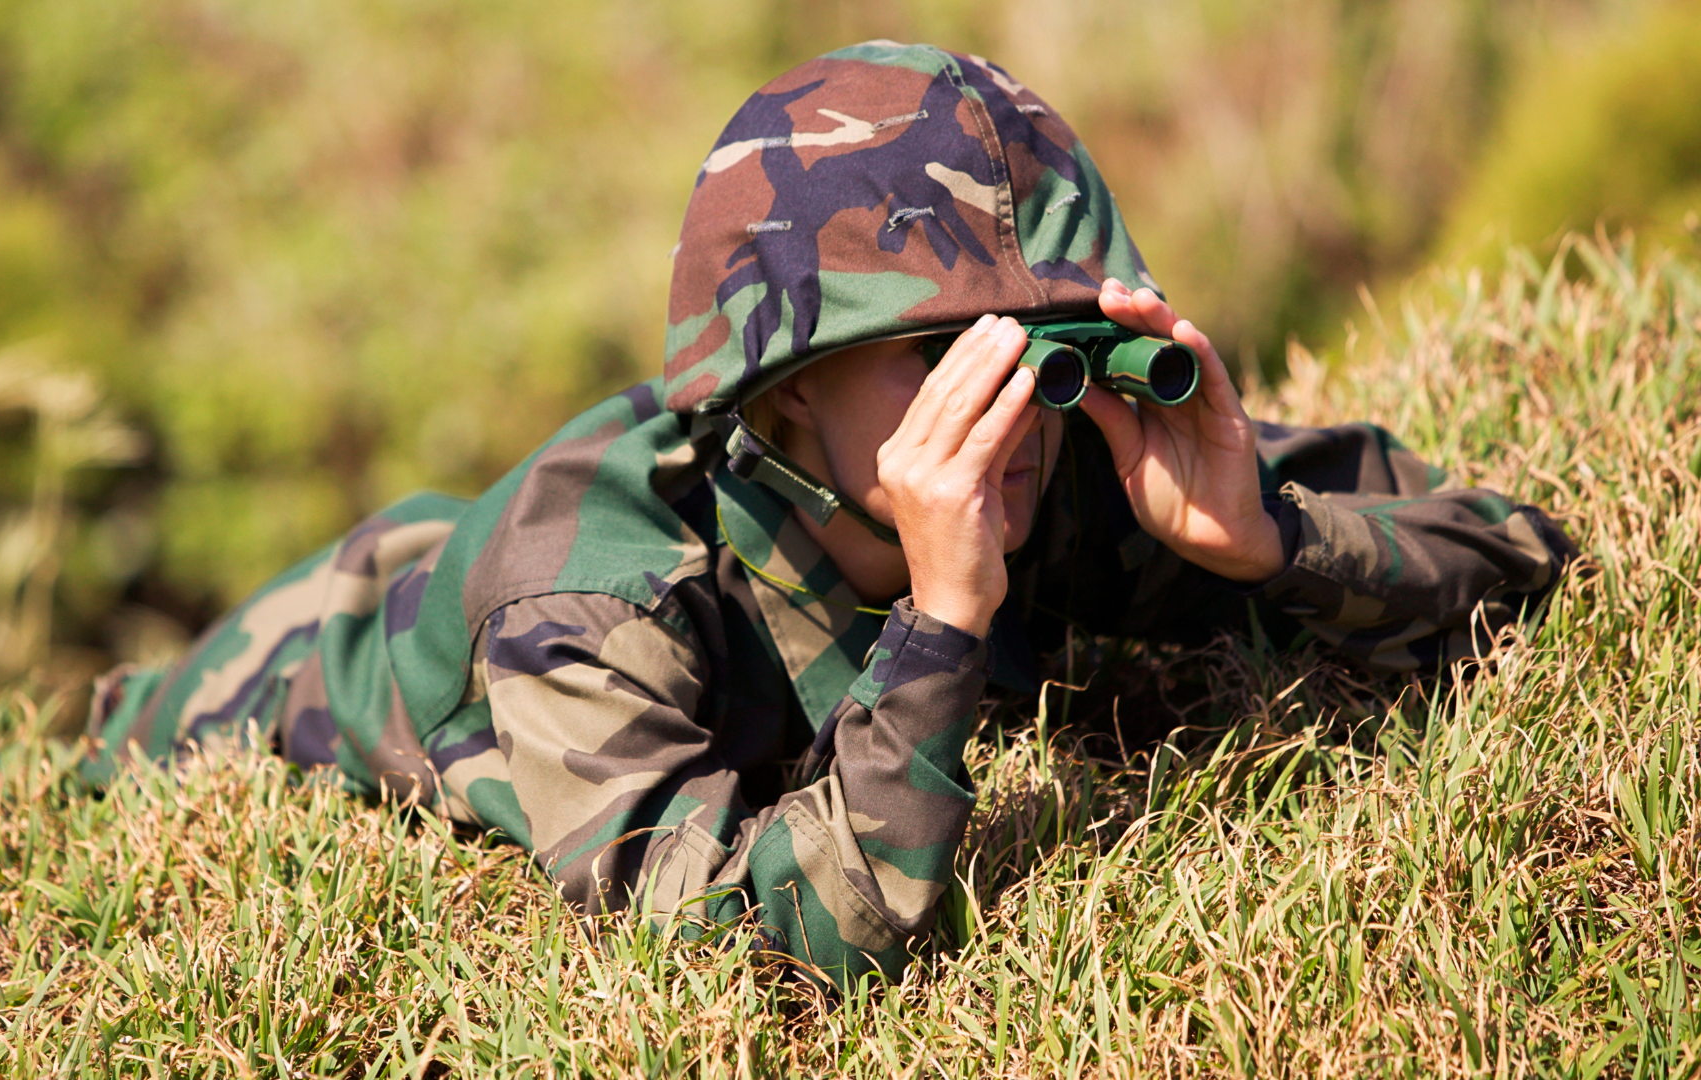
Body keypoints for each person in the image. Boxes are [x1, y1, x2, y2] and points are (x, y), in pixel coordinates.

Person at [84, 42, 1576, 987]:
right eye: (943, 357)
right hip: (297, 673)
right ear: (785, 393)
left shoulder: (1060, 465)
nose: (1009, 413)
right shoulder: (595, 603)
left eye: (1049, 352)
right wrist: (942, 624)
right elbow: (755, 946)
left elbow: (1514, 558)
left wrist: (1263, 541)